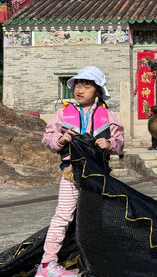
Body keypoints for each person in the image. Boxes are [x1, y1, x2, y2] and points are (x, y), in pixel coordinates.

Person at [35, 66, 124, 277]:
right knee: (62, 216)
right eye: (77, 85)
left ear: (98, 90)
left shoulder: (108, 115)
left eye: (86, 86)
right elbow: (47, 138)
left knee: (96, 219)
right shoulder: (63, 113)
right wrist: (61, 139)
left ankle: (95, 263)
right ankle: (47, 264)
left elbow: (120, 142)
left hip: (98, 177)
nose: (80, 90)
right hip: (71, 174)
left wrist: (109, 144)